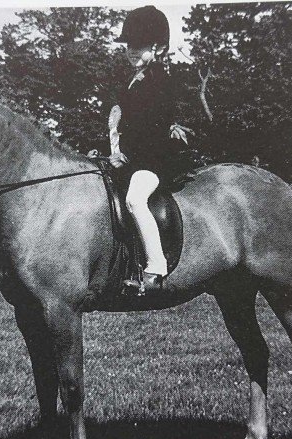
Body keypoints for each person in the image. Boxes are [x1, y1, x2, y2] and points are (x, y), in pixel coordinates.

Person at [110, 5, 189, 292]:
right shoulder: (130, 82)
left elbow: (154, 130)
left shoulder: (160, 80)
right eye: (129, 44)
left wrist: (127, 157)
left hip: (156, 161)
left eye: (139, 45)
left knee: (134, 199)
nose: (132, 50)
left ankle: (156, 269)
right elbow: (120, 123)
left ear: (157, 47)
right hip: (134, 160)